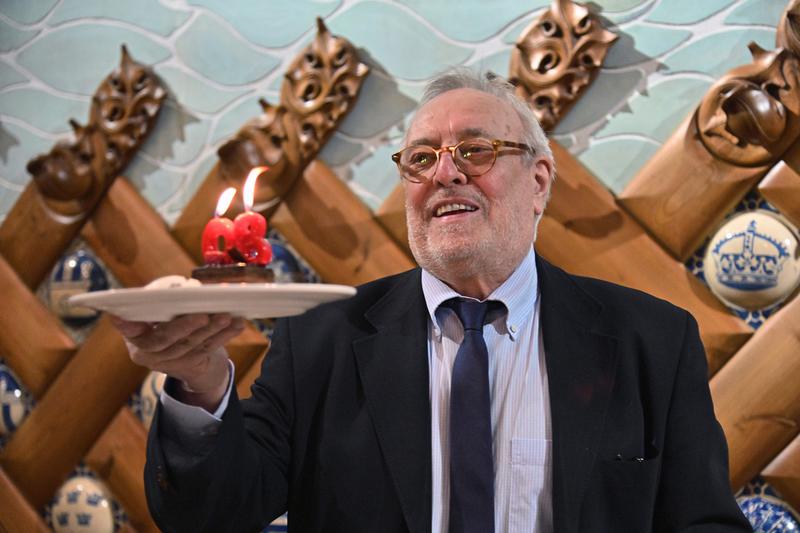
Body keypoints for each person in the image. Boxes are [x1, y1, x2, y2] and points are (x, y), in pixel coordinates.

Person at [113, 68, 752, 532]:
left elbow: (702, 522)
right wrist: (200, 382)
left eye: (474, 150)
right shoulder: (320, 338)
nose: (445, 172)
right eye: (421, 159)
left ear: (538, 182)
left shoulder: (653, 341)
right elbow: (215, 514)